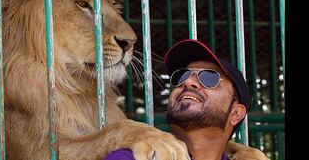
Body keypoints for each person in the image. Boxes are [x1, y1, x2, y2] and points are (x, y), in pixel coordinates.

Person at [104, 39, 262, 160]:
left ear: (236, 113)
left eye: (209, 78)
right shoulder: (133, 157)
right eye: (182, 76)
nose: (188, 82)